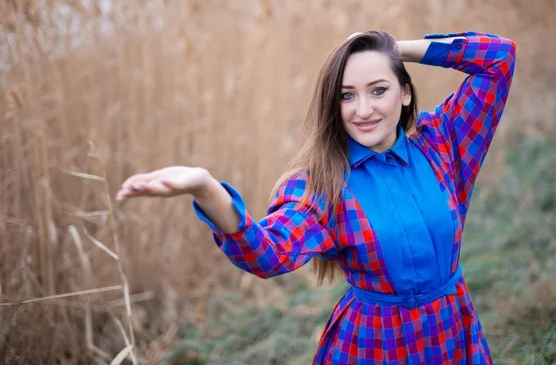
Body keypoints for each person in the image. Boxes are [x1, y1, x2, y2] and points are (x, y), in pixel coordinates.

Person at [117, 30, 516, 364]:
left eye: (379, 90)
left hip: (452, 330)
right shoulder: (322, 185)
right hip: (375, 344)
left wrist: (397, 48)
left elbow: (499, 58)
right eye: (346, 95)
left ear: (406, 94)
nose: (363, 110)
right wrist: (206, 189)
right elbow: (267, 253)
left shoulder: (442, 145)